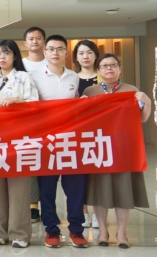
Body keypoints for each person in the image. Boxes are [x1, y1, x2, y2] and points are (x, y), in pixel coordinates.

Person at [83, 54, 152, 249]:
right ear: (98, 70)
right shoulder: (90, 91)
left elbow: (142, 118)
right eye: (104, 65)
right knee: (100, 189)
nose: (109, 68)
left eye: (113, 65)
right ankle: (103, 231)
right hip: (99, 147)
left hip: (124, 146)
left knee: (123, 189)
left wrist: (147, 102)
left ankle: (122, 232)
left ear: (120, 68)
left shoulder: (131, 91)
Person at [30, 34, 86, 248]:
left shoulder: (74, 76)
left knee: (75, 188)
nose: (55, 52)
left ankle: (76, 229)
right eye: (51, 49)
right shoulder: (34, 76)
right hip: (46, 141)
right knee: (47, 190)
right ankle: (51, 229)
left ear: (66, 53)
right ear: (45, 52)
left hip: (70, 141)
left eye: (60, 49)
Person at [0, 40, 38, 248]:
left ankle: (20, 234)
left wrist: (17, 100)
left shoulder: (24, 77)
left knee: (19, 189)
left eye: (6, 53)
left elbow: (35, 104)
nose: (2, 57)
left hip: (19, 138)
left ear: (15, 56)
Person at [73, 39, 100, 228]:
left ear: (96, 55)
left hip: (100, 132)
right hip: (77, 133)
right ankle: (82, 211)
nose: (85, 56)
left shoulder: (103, 77)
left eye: (89, 52)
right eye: (81, 53)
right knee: (79, 173)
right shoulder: (71, 78)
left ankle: (98, 212)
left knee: (97, 174)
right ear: (76, 57)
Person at [22, 27, 46, 223]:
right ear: (25, 43)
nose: (35, 41)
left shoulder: (51, 62)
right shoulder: (20, 65)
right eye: (31, 38)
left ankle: (48, 205)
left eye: (39, 38)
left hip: (49, 121)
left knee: (47, 163)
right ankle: (32, 205)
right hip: (26, 121)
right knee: (30, 162)